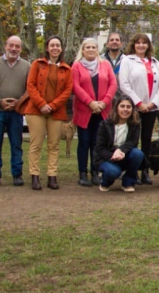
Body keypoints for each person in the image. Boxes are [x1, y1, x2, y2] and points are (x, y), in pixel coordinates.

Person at [23, 36, 73, 190]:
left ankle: (52, 176)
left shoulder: (67, 69)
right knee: (36, 144)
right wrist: (42, 104)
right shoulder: (37, 65)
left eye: (58, 45)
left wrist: (52, 106)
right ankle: (35, 176)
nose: (55, 48)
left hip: (56, 111)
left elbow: (67, 91)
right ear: (47, 48)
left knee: (54, 144)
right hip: (35, 110)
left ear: (61, 48)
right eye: (52, 45)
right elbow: (30, 86)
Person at [0, 35, 31, 187]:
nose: (14, 49)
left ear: (21, 49)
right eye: (11, 45)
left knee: (16, 144)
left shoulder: (26, 66)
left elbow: (30, 88)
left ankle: (17, 174)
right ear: (5, 46)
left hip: (16, 113)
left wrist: (19, 103)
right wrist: (0, 102)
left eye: (17, 46)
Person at [118, 33, 159, 185]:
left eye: (144, 43)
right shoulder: (127, 60)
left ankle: (145, 170)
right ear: (133, 45)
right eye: (138, 43)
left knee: (146, 139)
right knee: (132, 138)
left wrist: (152, 103)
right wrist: (138, 103)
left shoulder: (155, 62)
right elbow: (124, 84)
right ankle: (132, 171)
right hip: (134, 107)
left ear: (148, 45)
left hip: (151, 107)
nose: (141, 45)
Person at [72, 37, 117, 187]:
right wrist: (90, 103)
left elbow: (113, 84)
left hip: (103, 111)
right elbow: (76, 87)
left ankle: (95, 172)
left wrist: (104, 102)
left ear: (97, 50)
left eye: (93, 47)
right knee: (84, 142)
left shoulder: (105, 65)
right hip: (84, 110)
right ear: (83, 50)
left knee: (97, 143)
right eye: (88, 47)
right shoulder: (76, 66)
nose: (91, 50)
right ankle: (83, 173)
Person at [94, 95, 144, 193]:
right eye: (122, 106)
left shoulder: (135, 124)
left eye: (128, 107)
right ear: (116, 108)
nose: (125, 109)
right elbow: (100, 148)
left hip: (123, 154)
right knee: (113, 172)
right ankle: (105, 182)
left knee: (138, 154)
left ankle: (128, 182)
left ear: (132, 109)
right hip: (106, 157)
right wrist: (113, 155)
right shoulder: (105, 125)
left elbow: (133, 142)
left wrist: (120, 150)